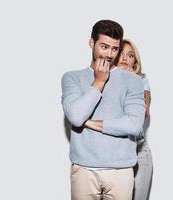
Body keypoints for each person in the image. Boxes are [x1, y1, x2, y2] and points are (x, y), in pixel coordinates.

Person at [61, 20, 145, 200]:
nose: (109, 54)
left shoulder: (133, 81)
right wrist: (99, 82)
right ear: (91, 43)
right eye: (104, 47)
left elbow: (134, 125)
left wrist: (88, 122)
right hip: (84, 169)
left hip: (121, 171)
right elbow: (76, 116)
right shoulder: (72, 78)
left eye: (114, 49)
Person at [116, 39, 153, 200]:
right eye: (121, 54)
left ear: (135, 61)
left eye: (130, 55)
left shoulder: (141, 81)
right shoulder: (102, 80)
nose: (124, 58)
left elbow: (142, 113)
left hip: (139, 150)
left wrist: (132, 83)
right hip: (112, 153)